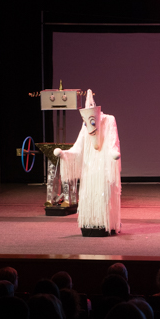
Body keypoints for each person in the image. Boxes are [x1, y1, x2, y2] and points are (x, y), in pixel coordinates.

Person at [54, 89, 122, 236]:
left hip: (103, 166)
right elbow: (78, 147)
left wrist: (113, 153)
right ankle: (90, 223)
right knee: (88, 193)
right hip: (89, 168)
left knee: (104, 194)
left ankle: (106, 224)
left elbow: (112, 141)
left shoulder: (109, 120)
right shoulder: (85, 126)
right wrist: (65, 154)